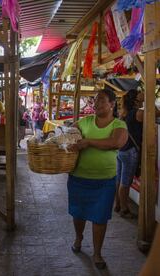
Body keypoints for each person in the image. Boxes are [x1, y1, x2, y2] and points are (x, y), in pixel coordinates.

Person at [68, 89, 128, 269]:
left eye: (101, 100)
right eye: (95, 100)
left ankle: (97, 253)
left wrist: (88, 142)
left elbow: (115, 143)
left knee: (100, 218)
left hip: (104, 181)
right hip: (79, 178)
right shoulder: (84, 122)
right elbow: (70, 131)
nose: (96, 104)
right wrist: (68, 134)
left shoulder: (119, 125)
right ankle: (79, 237)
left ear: (112, 104)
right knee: (78, 214)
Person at [115, 89, 142, 218]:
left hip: (122, 150)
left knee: (119, 179)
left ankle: (118, 205)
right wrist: (148, 100)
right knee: (125, 182)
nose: (142, 93)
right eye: (140, 93)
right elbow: (156, 112)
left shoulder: (124, 113)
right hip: (130, 151)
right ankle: (125, 210)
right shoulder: (138, 113)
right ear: (136, 99)